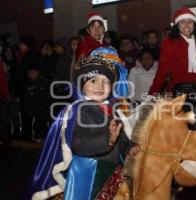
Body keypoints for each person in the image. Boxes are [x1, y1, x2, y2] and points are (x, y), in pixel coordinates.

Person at [23, 47, 131, 200]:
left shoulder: (112, 110)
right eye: (93, 81)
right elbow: (79, 142)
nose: (100, 86)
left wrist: (130, 148)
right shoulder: (78, 111)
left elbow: (122, 137)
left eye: (106, 82)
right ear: (82, 86)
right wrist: (107, 140)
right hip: (88, 172)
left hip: (111, 169)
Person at [148, 7, 196, 96]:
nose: (187, 25)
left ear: (194, 25)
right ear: (177, 25)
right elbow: (162, 72)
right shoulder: (169, 43)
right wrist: (151, 95)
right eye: (182, 22)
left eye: (190, 22)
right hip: (177, 93)